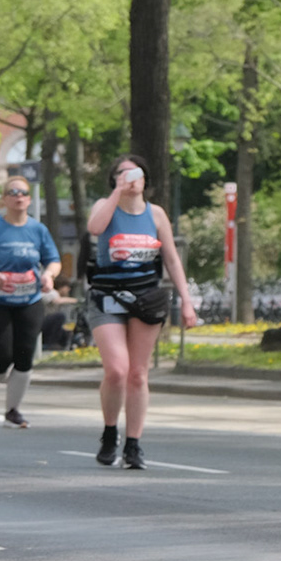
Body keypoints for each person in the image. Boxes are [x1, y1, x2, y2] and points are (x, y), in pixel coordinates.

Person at [86, 154, 198, 470]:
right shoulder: (104, 206)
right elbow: (95, 228)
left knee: (138, 373)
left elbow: (172, 259)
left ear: (145, 179)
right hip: (107, 297)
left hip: (146, 297)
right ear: (114, 179)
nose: (130, 179)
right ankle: (110, 431)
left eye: (135, 173)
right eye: (122, 173)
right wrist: (116, 193)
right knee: (117, 370)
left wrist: (186, 301)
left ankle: (133, 444)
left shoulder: (156, 214)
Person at [0, 176, 62, 428]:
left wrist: (48, 276)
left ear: (29, 200)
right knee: (1, 356)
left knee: (24, 357)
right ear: (5, 200)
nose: (19, 196)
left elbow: (53, 260)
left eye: (23, 193)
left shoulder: (38, 230)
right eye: (13, 192)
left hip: (29, 301)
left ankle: (13, 410)